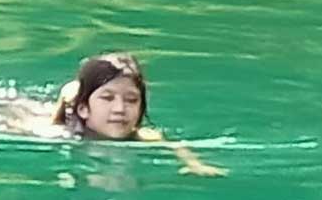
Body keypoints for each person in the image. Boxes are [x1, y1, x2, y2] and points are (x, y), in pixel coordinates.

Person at [51, 53, 227, 177]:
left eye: (132, 100)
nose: (120, 109)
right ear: (84, 109)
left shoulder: (143, 135)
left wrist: (194, 164)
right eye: (108, 98)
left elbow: (174, 146)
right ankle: (69, 95)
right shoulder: (62, 134)